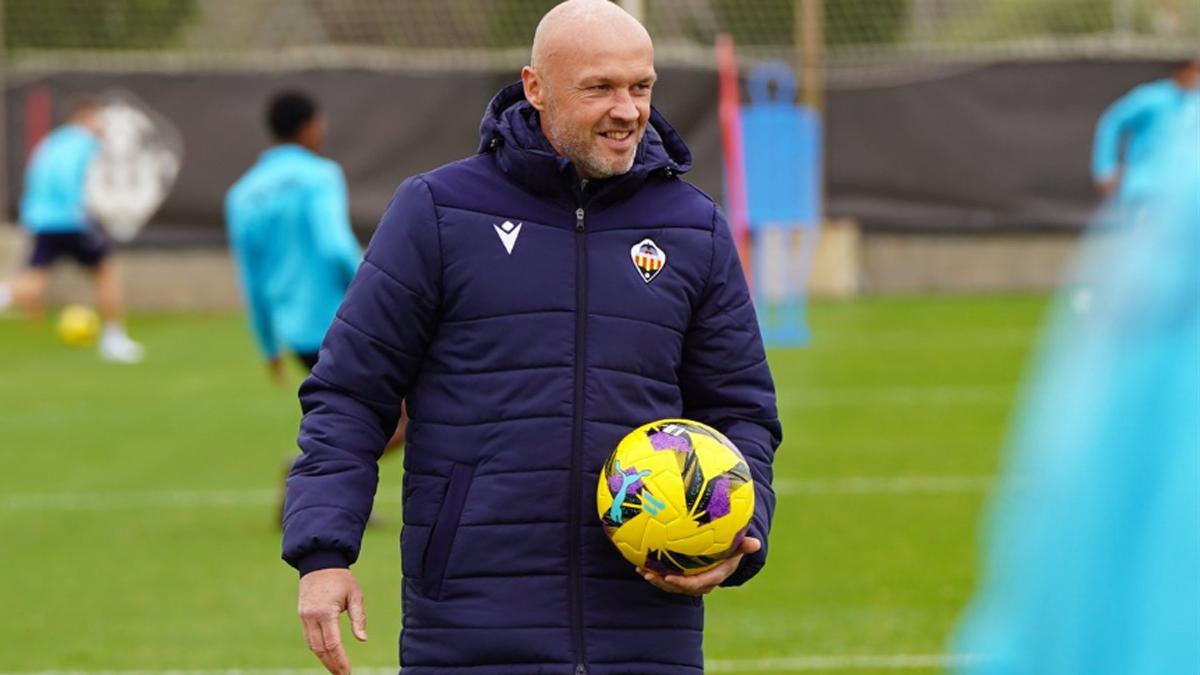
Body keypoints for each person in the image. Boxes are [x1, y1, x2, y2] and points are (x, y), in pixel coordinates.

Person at [281, 1, 781, 674]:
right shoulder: (439, 212)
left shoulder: (693, 228)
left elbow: (740, 408)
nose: (629, 109)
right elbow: (350, 391)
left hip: (645, 627)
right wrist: (324, 551)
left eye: (642, 87)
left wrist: (738, 535)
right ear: (536, 87)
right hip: (469, 621)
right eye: (600, 87)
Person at [226, 91, 405, 526]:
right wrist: (381, 292)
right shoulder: (319, 175)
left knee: (363, 413)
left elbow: (250, 276)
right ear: (308, 127)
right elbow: (333, 246)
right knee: (407, 413)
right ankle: (310, 479)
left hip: (295, 330)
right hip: (342, 319)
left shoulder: (243, 193)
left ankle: (316, 485)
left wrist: (267, 343)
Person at [2, 95, 145, 363]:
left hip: (41, 220)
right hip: (70, 220)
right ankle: (114, 339)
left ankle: (4, 294)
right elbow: (72, 179)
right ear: (84, 117)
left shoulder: (53, 141)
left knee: (35, 281)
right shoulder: (83, 143)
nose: (101, 125)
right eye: (97, 118)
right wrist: (84, 209)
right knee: (105, 272)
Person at [1092, 58, 1200, 200]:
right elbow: (1112, 122)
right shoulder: (1151, 98)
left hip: (1182, 191)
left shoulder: (1194, 101)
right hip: (1145, 186)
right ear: (1182, 70)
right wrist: (1104, 168)